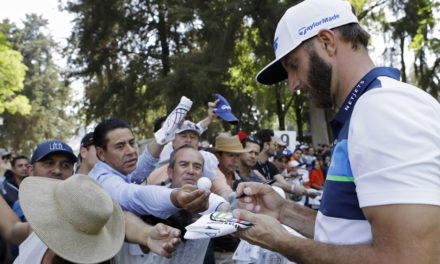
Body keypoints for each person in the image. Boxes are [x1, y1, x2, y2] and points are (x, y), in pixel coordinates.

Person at [232, 0, 440, 263]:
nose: (292, 85)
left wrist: (280, 241)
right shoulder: (368, 107)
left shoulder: (382, 108)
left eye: (294, 65)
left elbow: (409, 257)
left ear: (328, 42)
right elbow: (349, 232)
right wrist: (284, 211)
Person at [140, 144, 228, 264]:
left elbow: (226, 207)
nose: (191, 171)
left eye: (197, 167)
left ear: (202, 175)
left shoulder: (209, 199)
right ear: (170, 172)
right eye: (183, 164)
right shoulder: (152, 197)